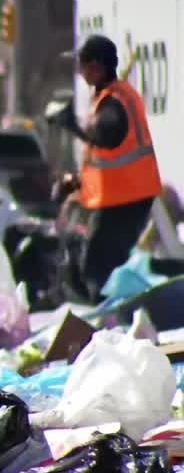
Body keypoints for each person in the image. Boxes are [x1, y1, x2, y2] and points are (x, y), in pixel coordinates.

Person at [52, 34, 162, 302]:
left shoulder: (114, 102)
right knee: (94, 264)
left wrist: (71, 125)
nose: (79, 71)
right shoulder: (108, 98)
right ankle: (112, 317)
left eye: (82, 64)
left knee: (98, 267)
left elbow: (108, 136)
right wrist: (77, 183)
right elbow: (102, 158)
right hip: (119, 196)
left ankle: (114, 322)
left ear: (97, 67)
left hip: (126, 198)